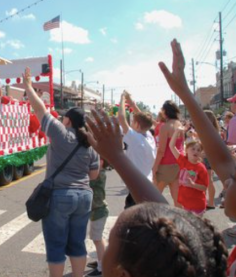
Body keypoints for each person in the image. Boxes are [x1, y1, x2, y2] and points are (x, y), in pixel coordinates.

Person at [159, 39, 236, 276]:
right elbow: (224, 161)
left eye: (234, 180)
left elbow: (224, 162)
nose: (225, 183)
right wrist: (183, 92)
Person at [84, 110, 228, 277]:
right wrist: (116, 157)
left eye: (110, 246)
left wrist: (117, 157)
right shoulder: (150, 138)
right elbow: (173, 228)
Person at [23, 67, 99, 277]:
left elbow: (40, 110)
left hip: (59, 196)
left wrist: (28, 86)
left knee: (56, 245)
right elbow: (93, 176)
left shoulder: (61, 133)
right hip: (84, 196)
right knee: (77, 244)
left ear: (68, 121)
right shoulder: (90, 145)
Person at [117, 91, 156, 209]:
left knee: (132, 216)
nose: (131, 124)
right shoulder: (149, 136)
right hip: (147, 183)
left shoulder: (135, 138)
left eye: (133, 122)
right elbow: (145, 121)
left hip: (137, 186)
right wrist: (132, 104)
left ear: (137, 125)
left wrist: (123, 98)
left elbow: (121, 118)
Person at [169, 128, 209, 215]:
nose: (196, 151)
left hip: (197, 204)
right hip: (185, 203)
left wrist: (193, 185)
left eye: (198, 150)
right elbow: (171, 146)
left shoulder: (201, 168)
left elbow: (205, 187)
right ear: (186, 150)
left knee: (195, 227)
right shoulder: (183, 161)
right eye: (193, 149)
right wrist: (176, 131)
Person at [152, 100, 183, 206]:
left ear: (165, 112)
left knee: (155, 197)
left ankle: (156, 220)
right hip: (178, 163)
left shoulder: (165, 127)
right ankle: (180, 220)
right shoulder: (179, 125)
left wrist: (155, 167)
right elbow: (182, 146)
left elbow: (161, 150)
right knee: (177, 198)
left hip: (165, 165)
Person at [86, 158, 109, 277]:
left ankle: (101, 268)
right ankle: (102, 262)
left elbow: (90, 178)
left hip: (99, 210)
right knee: (98, 239)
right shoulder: (100, 171)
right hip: (97, 210)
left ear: (102, 162)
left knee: (97, 239)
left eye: (98, 160)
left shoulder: (99, 174)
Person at [204, 110, 220, 210]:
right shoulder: (215, 129)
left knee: (208, 180)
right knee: (209, 181)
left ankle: (210, 202)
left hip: (206, 157)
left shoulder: (207, 129)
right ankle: (210, 201)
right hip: (211, 157)